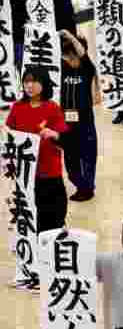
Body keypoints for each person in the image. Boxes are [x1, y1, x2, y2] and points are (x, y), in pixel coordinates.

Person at [6, 66, 68, 248]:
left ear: (44, 83)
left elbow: (66, 139)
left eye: (34, 81)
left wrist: (53, 134)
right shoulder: (17, 107)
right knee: (31, 217)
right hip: (26, 175)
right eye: (26, 81)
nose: (29, 85)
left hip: (50, 172)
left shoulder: (52, 108)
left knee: (54, 217)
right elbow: (8, 134)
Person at [59, 30, 99, 202]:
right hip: (67, 124)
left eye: (72, 57)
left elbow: (82, 53)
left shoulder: (86, 69)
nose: (69, 60)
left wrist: (70, 36)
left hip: (85, 124)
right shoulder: (64, 69)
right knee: (70, 160)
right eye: (67, 57)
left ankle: (87, 188)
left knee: (87, 158)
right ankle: (79, 184)